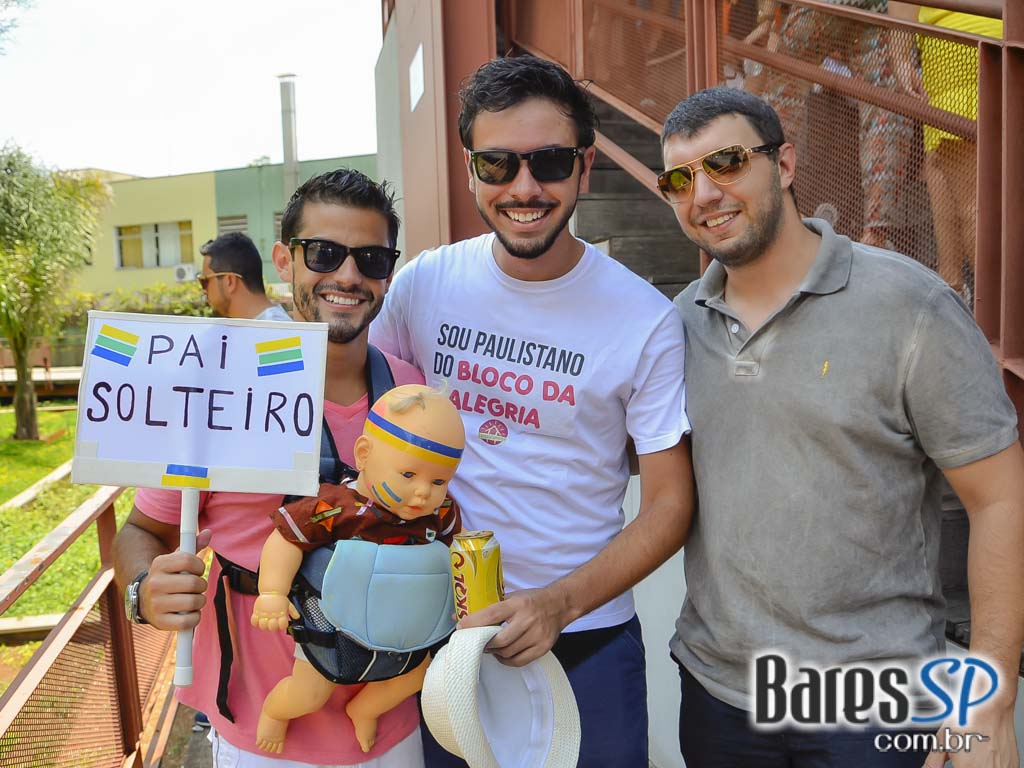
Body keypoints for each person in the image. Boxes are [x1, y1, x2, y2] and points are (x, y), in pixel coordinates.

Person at [658, 86, 1023, 767]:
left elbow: (999, 496)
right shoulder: (675, 325)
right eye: (680, 178)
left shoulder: (910, 306)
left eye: (728, 163)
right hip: (718, 694)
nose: (704, 193)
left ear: (786, 164)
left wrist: (989, 694)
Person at [369, 54, 695, 767]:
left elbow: (670, 505)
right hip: (448, 639)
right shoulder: (425, 286)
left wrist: (559, 604)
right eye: (497, 164)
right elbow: (357, 414)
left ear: (584, 167)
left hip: (588, 640)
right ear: (469, 168)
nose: (524, 188)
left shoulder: (644, 317)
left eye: (548, 162)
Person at [113, 169, 429, 768]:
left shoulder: (411, 394)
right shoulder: (216, 391)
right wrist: (142, 593)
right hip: (262, 739)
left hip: (391, 727)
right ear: (285, 259)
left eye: (371, 258)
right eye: (324, 253)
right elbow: (141, 532)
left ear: (390, 269)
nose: (347, 275)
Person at [252, 384, 464, 755]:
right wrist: (272, 592)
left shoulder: (440, 513)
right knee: (310, 692)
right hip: (334, 625)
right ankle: (275, 710)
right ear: (364, 454)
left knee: (417, 677)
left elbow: (455, 552)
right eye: (409, 475)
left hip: (406, 629)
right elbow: (285, 538)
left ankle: (365, 707)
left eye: (438, 481)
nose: (422, 494)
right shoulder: (337, 507)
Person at [198, 231, 291, 320]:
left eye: (205, 281)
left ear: (230, 281)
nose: (203, 291)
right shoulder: (262, 328)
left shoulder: (276, 331)